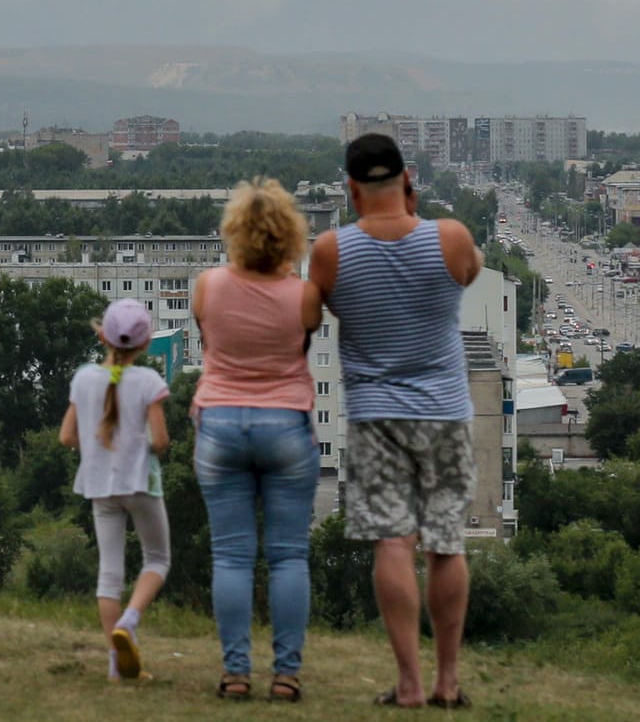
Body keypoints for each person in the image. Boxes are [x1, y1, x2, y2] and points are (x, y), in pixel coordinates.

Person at [308, 134, 481, 710]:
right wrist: (413, 214)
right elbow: (471, 272)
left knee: (392, 541)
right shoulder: (449, 237)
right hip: (445, 412)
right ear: (408, 178)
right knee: (446, 545)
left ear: (351, 189)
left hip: (375, 414)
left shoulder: (331, 251)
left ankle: (407, 683)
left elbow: (323, 306)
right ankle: (447, 682)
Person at [189, 178, 322, 702]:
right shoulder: (304, 295)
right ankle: (286, 675)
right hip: (286, 425)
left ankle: (235, 673)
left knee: (232, 557)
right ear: (290, 235)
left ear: (235, 233)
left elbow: (209, 337)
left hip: (220, 425)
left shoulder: (208, 286)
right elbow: (302, 342)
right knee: (289, 557)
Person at [59, 298, 172, 682]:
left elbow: (66, 436)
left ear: (103, 335)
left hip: (98, 486)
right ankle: (131, 619)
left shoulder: (83, 378)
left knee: (110, 575)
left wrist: (96, 447)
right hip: (140, 483)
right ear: (144, 345)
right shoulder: (149, 382)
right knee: (157, 559)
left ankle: (115, 663)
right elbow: (160, 441)